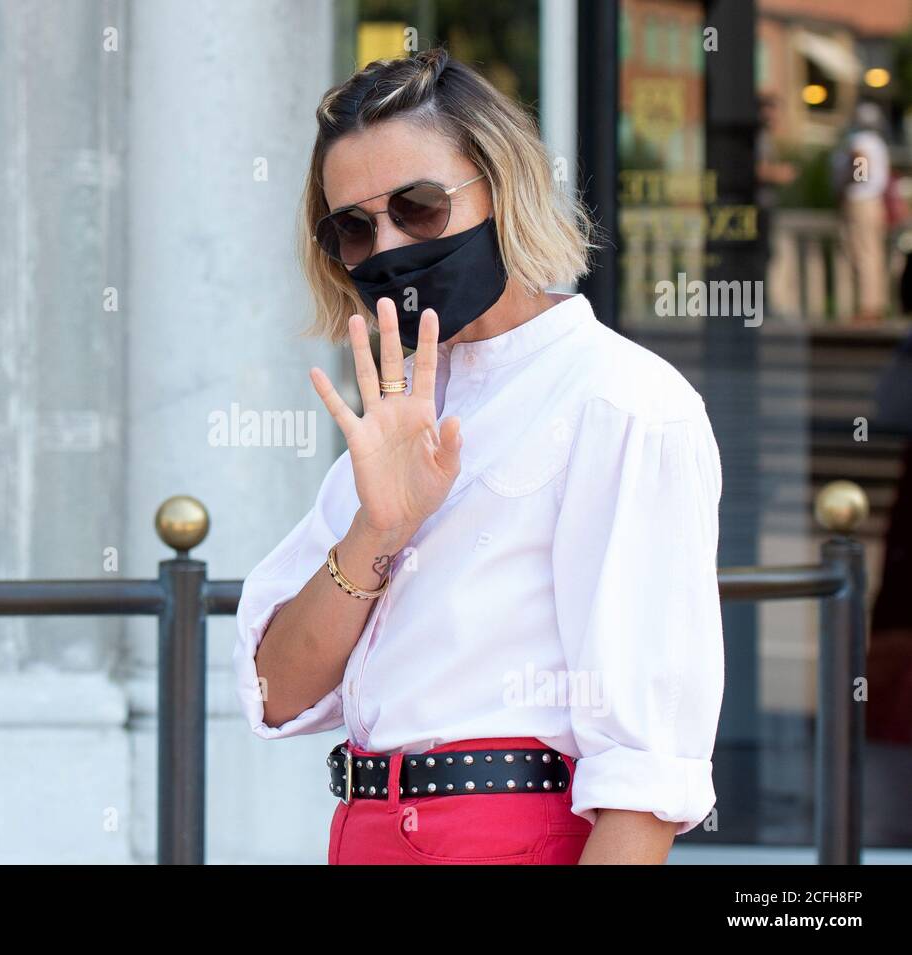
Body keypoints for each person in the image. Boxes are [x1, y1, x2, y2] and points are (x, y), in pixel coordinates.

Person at [232, 48, 726, 865]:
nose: (388, 244)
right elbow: (277, 691)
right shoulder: (400, 414)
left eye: (418, 207)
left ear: (502, 187)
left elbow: (645, 782)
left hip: (509, 837)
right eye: (353, 227)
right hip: (361, 831)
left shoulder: (622, 401)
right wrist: (376, 530)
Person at [836, 101, 891, 325]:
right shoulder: (878, 143)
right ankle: (874, 305)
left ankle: (868, 308)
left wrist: (849, 181)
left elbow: (860, 166)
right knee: (873, 254)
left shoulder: (860, 141)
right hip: (873, 201)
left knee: (863, 254)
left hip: (860, 200)